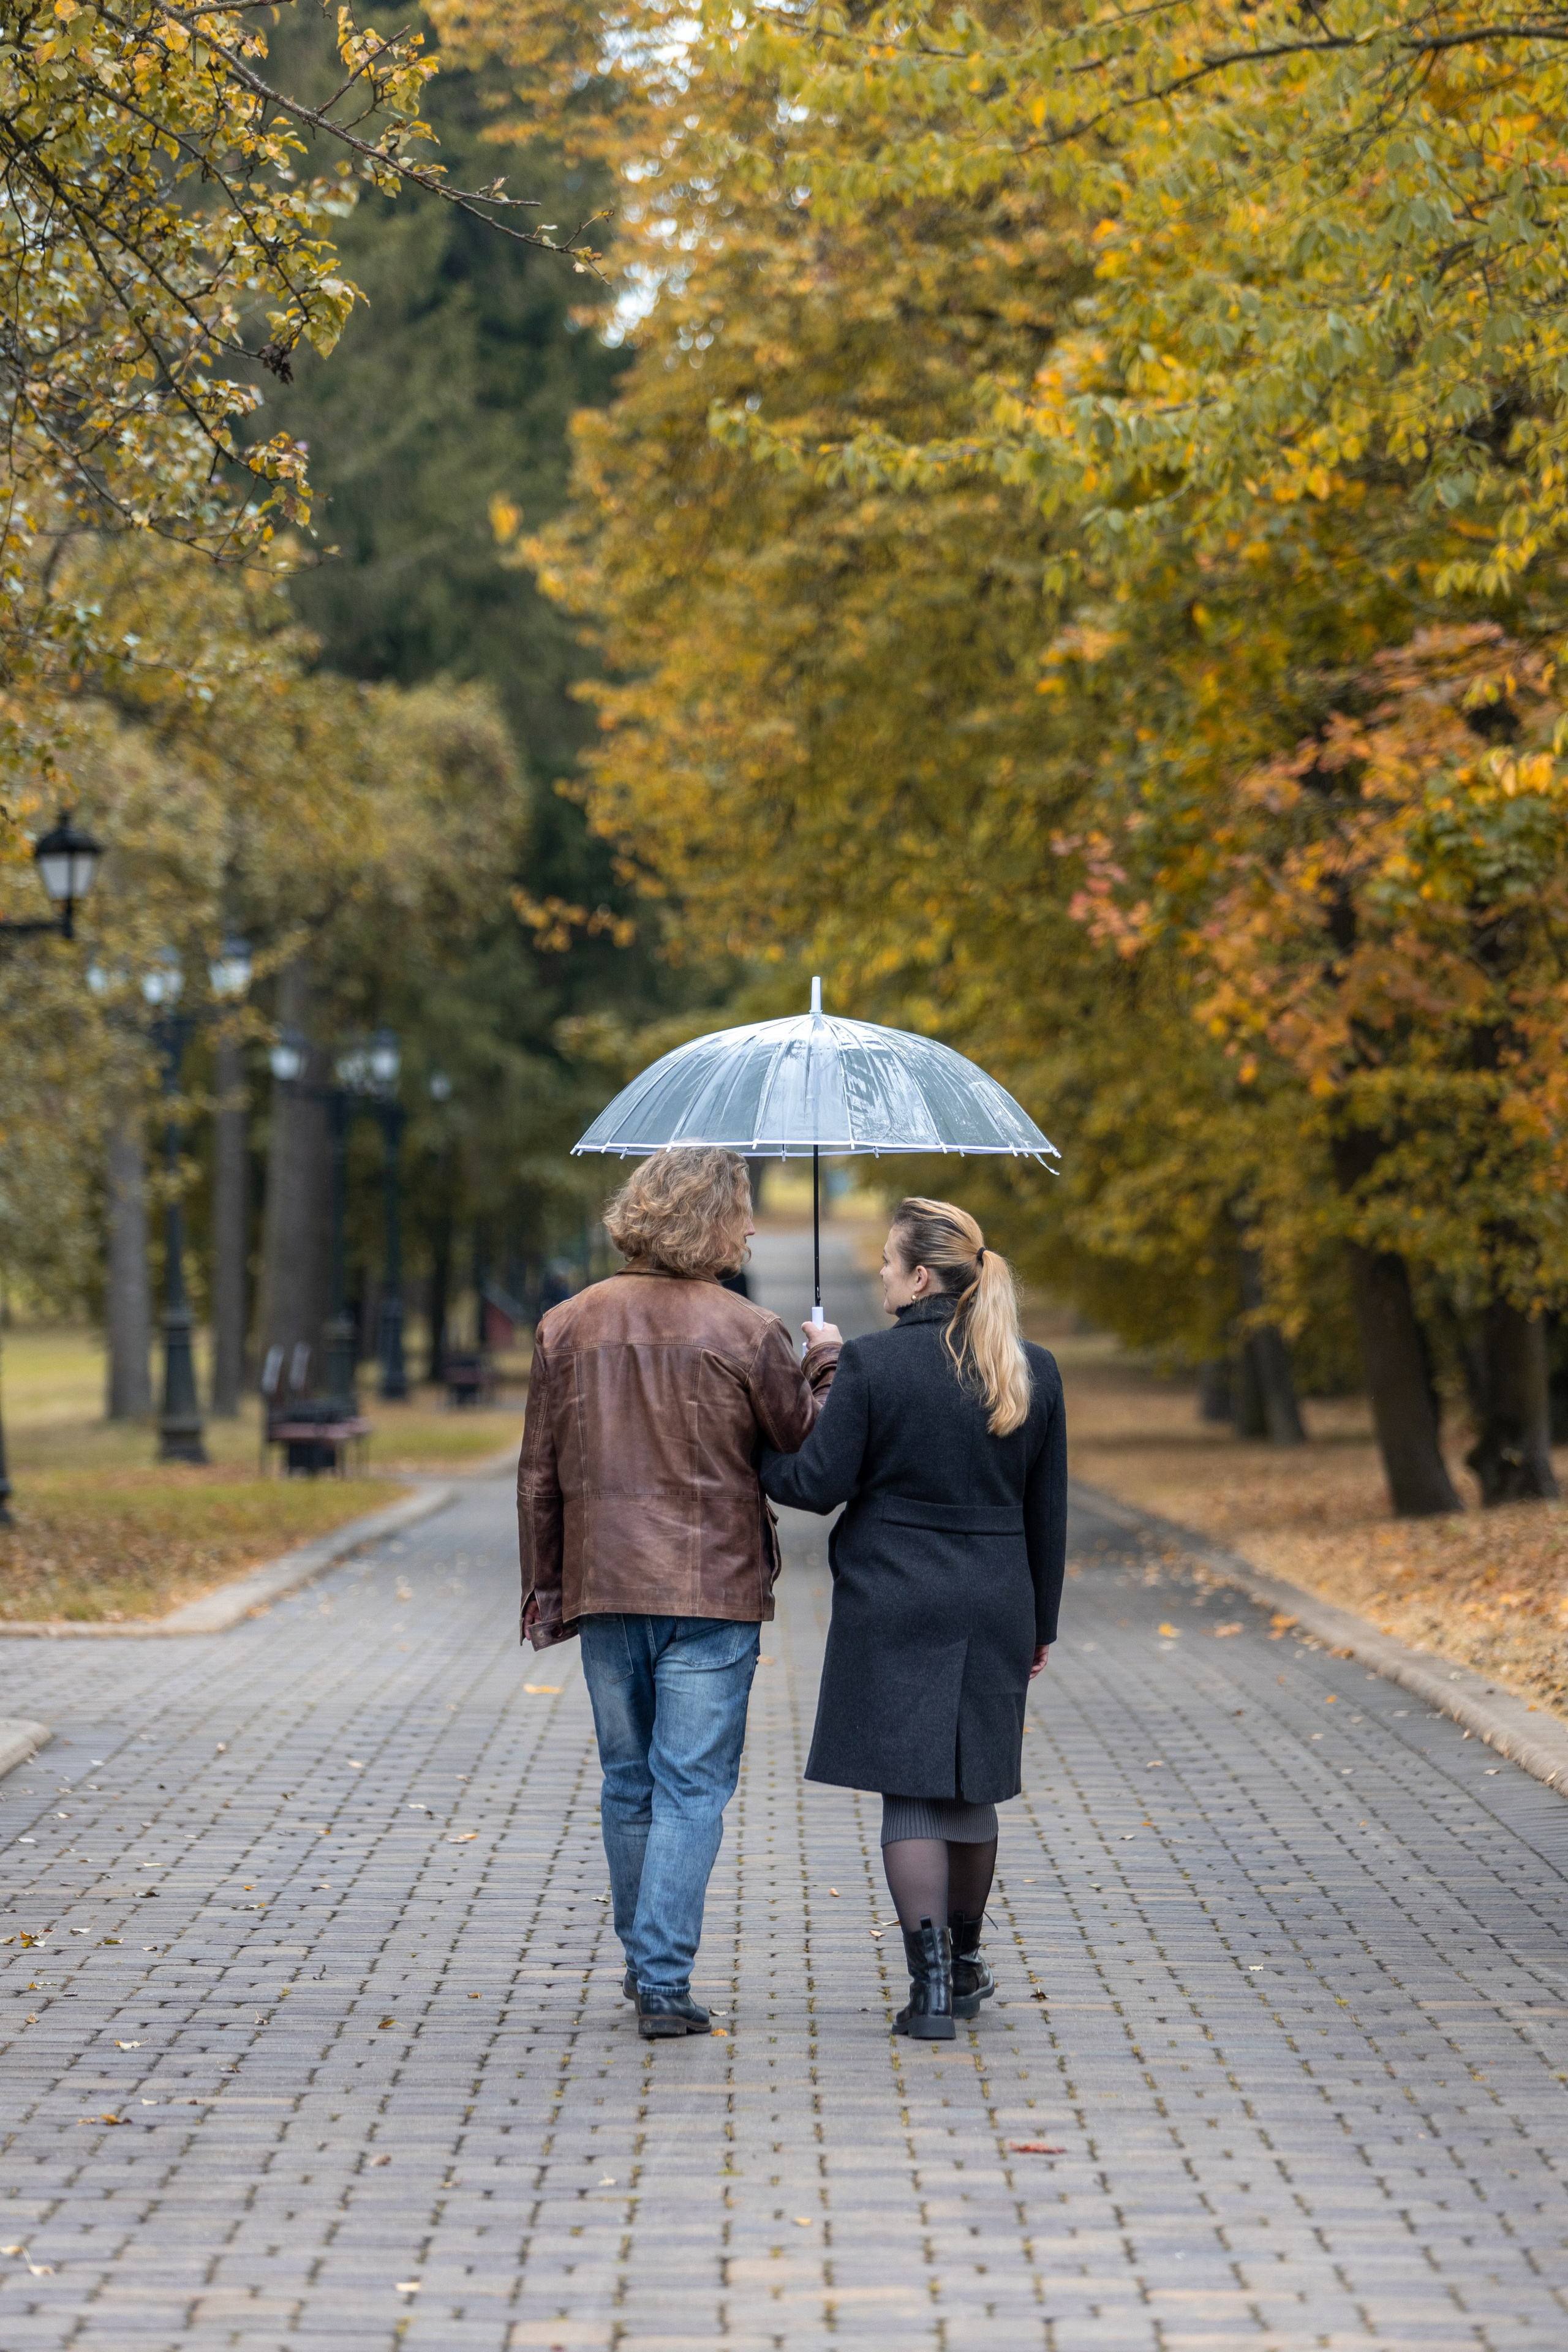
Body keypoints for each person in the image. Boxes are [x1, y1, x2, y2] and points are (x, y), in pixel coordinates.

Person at [519, 1147, 842, 2038]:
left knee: (629, 1781)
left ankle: (644, 1963)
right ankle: (662, 1980)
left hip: (605, 1584)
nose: (751, 1227)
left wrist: (547, 1586)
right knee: (691, 1787)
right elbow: (804, 1452)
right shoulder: (748, 1331)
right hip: (713, 1588)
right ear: (715, 1220)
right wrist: (823, 1366)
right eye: (742, 1211)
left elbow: (539, 1477)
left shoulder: (565, 1326)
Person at [760, 1197, 1066, 2041]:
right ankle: (964, 1970)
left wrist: (771, 1432)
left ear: (920, 1276)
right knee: (973, 1784)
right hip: (998, 1598)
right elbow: (1048, 1512)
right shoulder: (1031, 1366)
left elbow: (814, 1484)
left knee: (914, 1791)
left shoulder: (875, 1363)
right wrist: (1040, 1623)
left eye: (889, 1264)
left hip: (895, 1596)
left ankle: (929, 1993)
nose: (882, 1275)